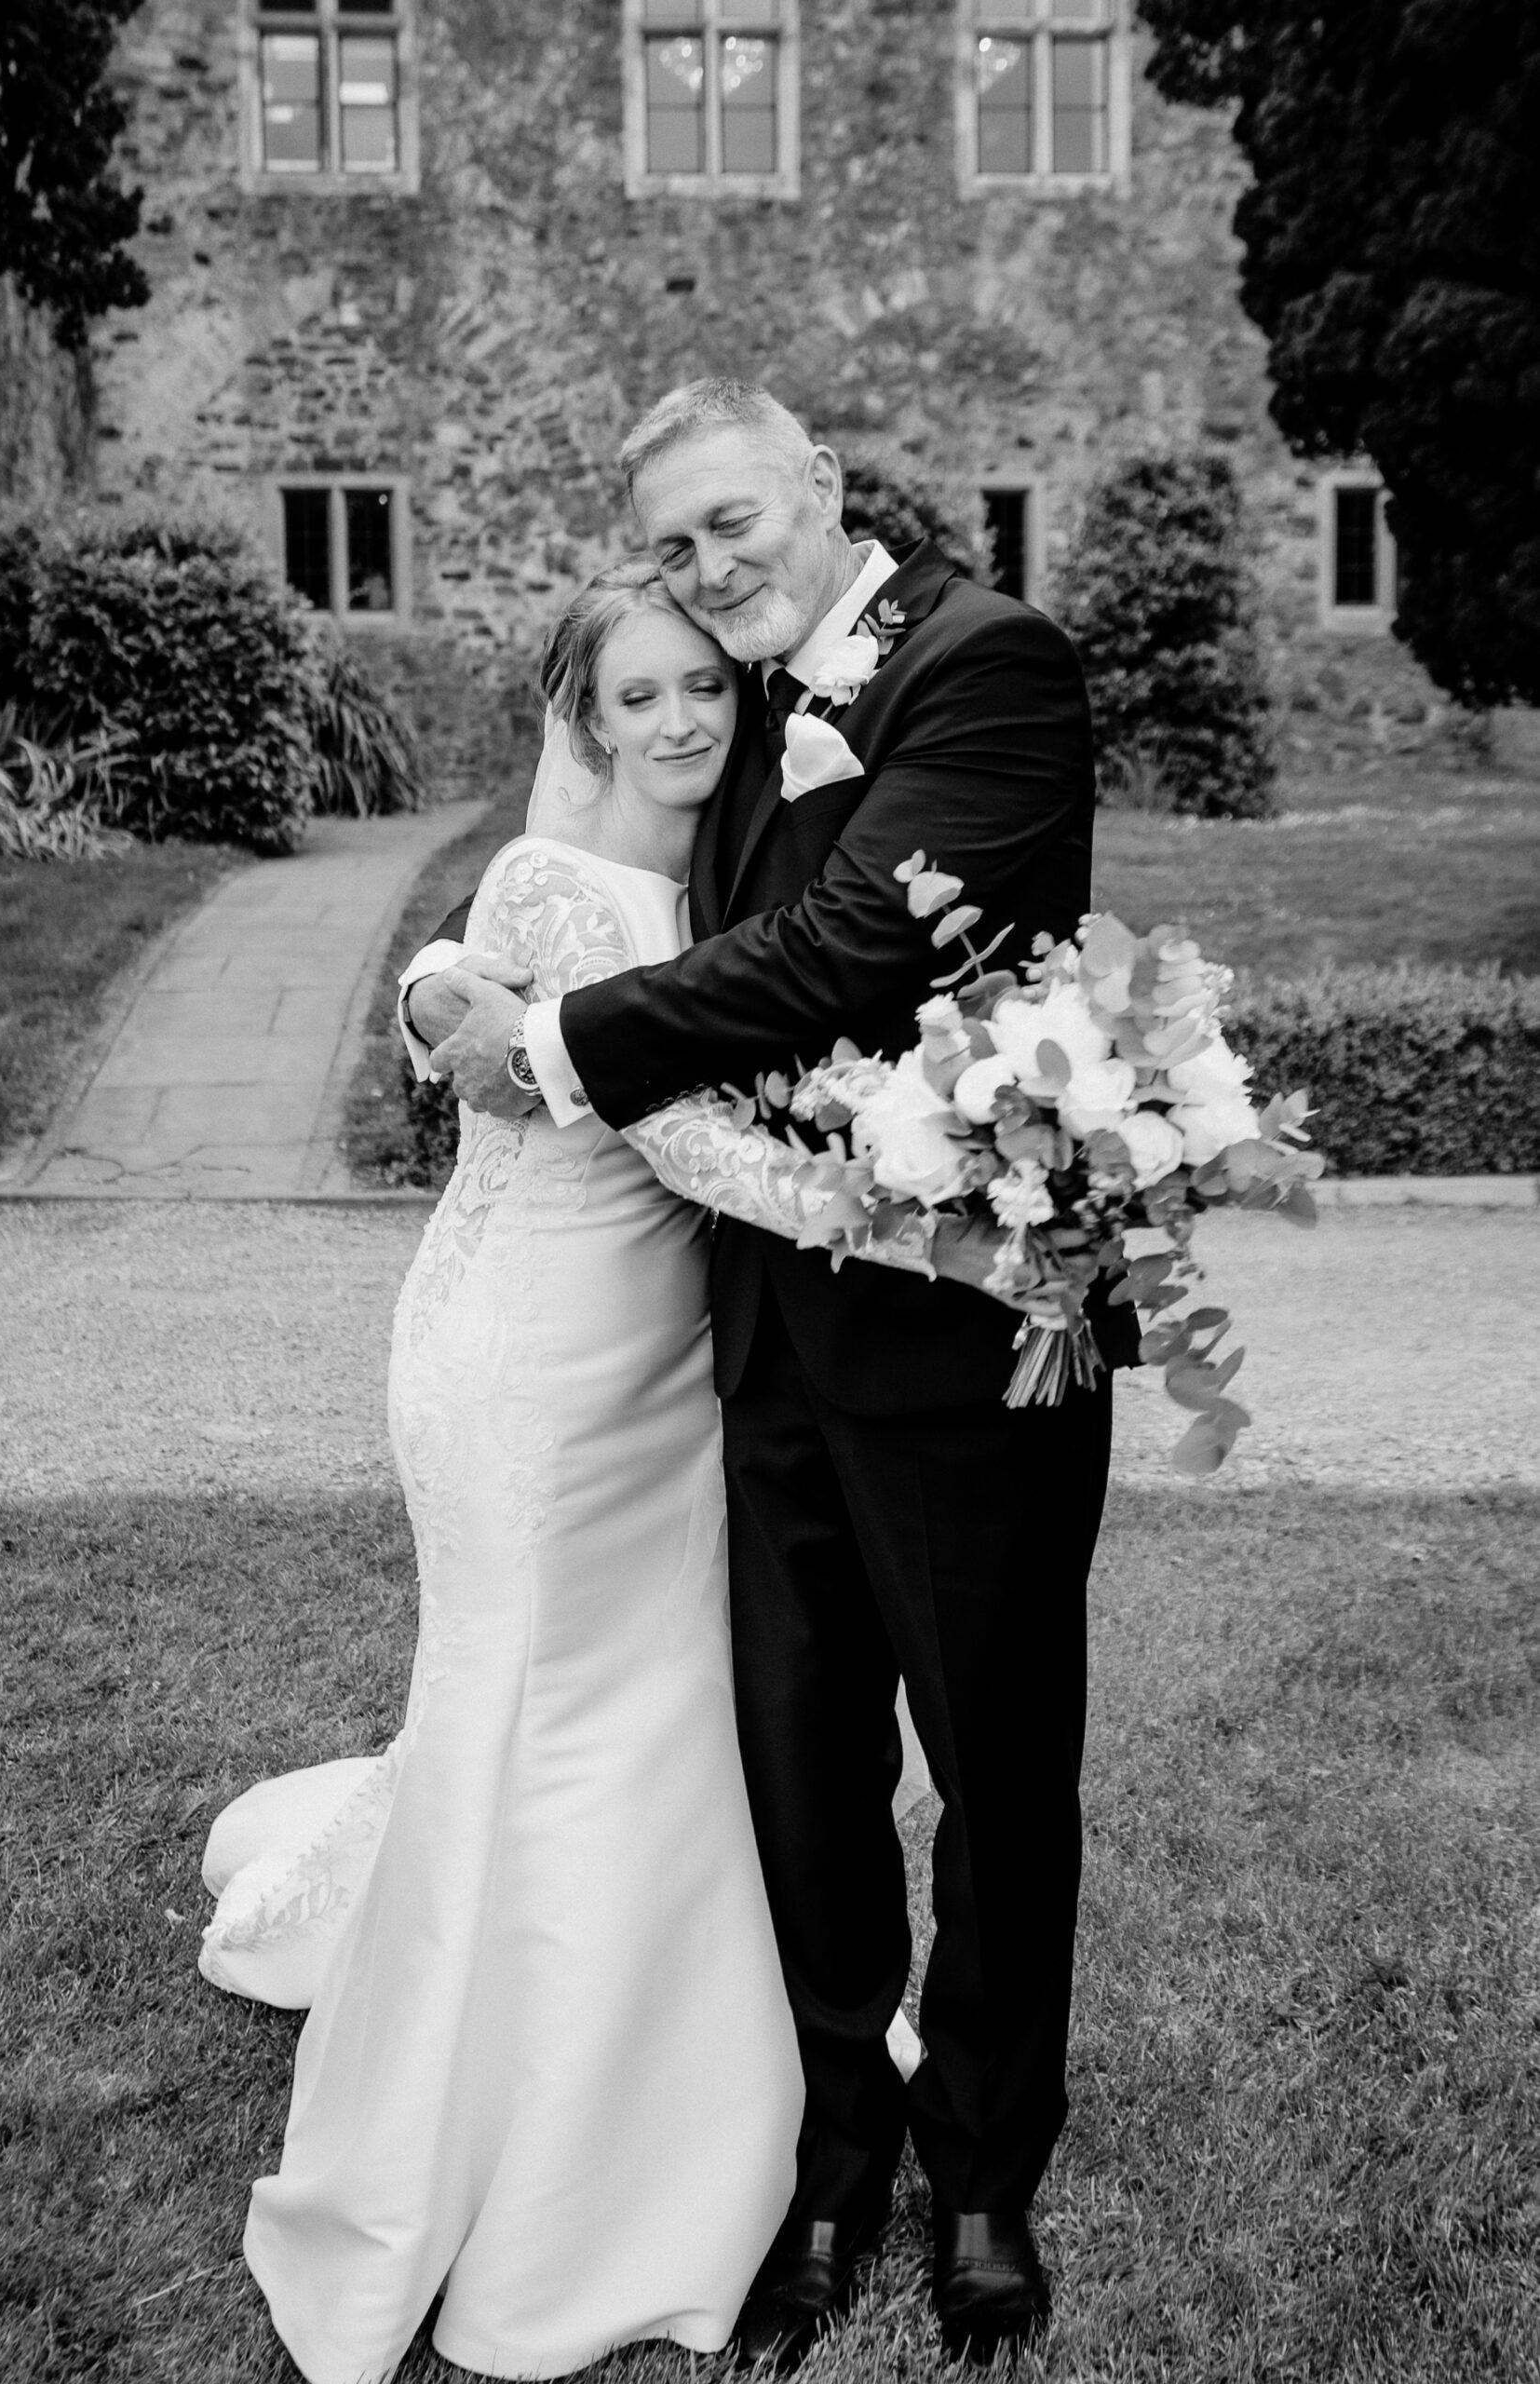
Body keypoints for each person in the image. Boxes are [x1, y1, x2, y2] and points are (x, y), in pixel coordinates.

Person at [401, 378, 1135, 2371]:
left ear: (818, 487)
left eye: (734, 523)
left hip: (964, 1331)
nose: (710, 568)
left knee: (993, 1772)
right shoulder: (715, 703)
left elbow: (836, 954)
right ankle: (833, 2145)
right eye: (678, 545)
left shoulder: (981, 663)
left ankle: (982, 2167)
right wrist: (457, 977)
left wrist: (550, 1043)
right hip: (753, 1344)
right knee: (793, 1769)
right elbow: (585, 875)